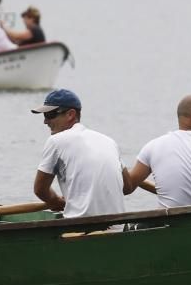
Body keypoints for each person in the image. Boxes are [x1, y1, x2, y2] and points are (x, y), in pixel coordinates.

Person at [31, 89, 130, 218]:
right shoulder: (109, 141)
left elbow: (40, 190)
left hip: (80, 227)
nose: (45, 121)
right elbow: (127, 187)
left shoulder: (55, 141)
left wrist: (58, 202)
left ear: (70, 114)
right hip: (119, 226)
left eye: (50, 115)